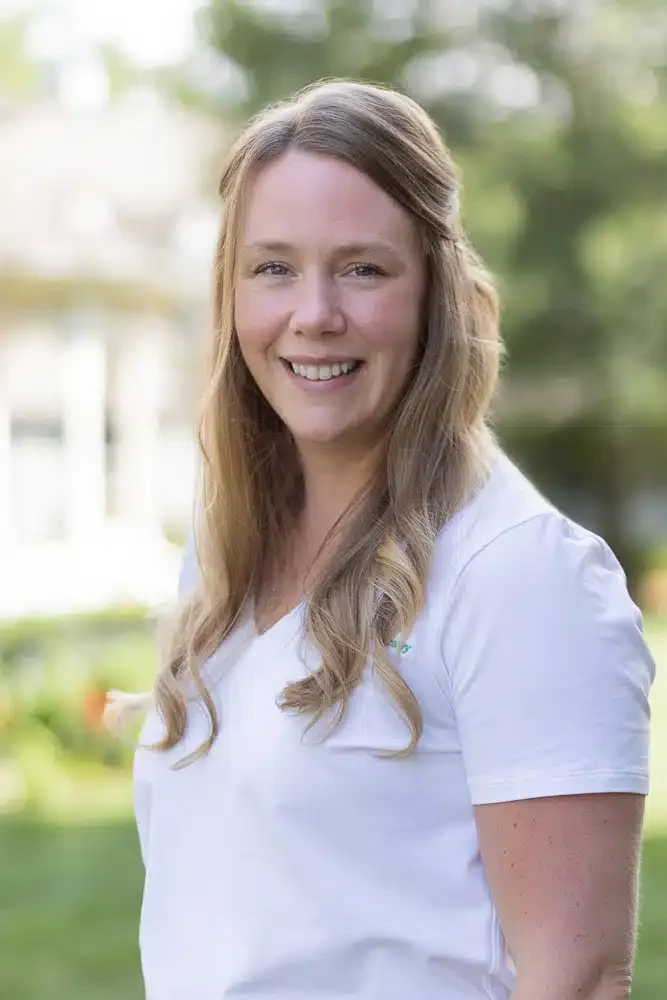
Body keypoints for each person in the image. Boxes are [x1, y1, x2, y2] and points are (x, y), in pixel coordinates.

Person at [114, 80, 655, 999]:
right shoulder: (225, 556)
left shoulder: (519, 575)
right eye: (273, 267)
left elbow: (576, 975)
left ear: (435, 295)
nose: (314, 313)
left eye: (363, 269)